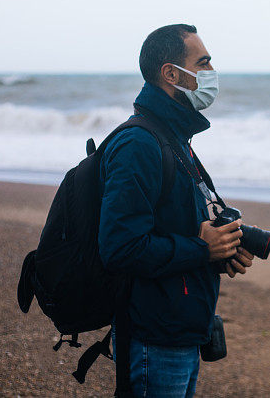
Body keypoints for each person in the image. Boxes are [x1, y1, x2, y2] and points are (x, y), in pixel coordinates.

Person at [98, 24, 254, 397]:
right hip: (153, 337)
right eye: (203, 63)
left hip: (179, 332)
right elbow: (119, 247)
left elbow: (178, 226)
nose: (211, 72)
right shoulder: (139, 143)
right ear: (171, 73)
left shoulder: (174, 139)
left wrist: (220, 249)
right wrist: (202, 248)